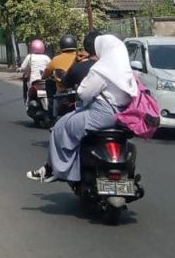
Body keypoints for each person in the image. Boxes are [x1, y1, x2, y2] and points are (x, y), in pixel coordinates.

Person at [26, 33, 137, 183]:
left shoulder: (101, 69)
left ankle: (55, 169)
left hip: (102, 114)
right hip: (124, 114)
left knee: (60, 127)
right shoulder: (124, 69)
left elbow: (84, 93)